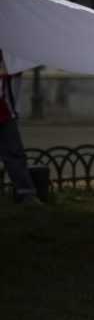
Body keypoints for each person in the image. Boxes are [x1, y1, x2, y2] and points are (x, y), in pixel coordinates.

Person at [0, 50, 40, 205]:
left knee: (15, 154)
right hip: (6, 115)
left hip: (4, 116)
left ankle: (26, 194)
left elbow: (12, 88)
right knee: (14, 154)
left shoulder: (11, 66)